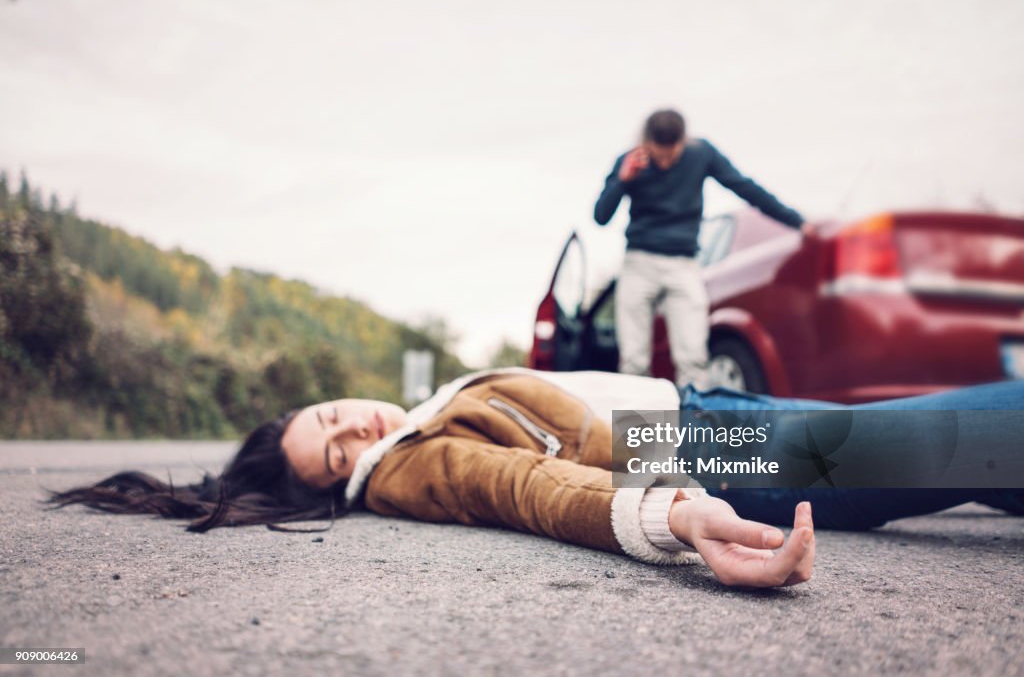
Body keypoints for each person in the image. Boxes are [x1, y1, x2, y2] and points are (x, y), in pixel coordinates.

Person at [49, 369, 1024, 589]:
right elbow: (520, 486)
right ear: (338, 485)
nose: (356, 431)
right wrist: (676, 510)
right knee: (993, 433)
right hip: (703, 453)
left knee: (985, 438)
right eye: (336, 453)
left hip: (707, 416)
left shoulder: (420, 411)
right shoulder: (409, 466)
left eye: (335, 418)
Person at [594, 109, 806, 387]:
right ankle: (640, 431)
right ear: (647, 142)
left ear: (684, 141)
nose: (667, 162)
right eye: (660, 156)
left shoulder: (701, 153)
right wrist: (622, 180)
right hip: (639, 263)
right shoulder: (630, 161)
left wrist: (797, 222)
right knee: (633, 360)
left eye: (673, 155)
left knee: (692, 357)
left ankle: (694, 429)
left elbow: (745, 187)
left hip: (683, 264)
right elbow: (600, 216)